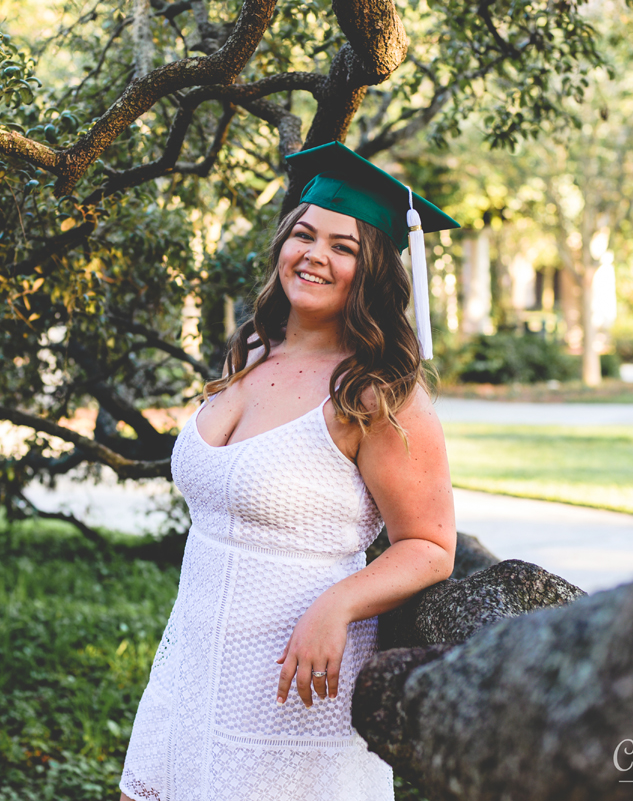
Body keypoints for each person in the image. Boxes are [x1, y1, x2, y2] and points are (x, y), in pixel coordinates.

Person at [119, 142, 460, 801]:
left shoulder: (377, 392)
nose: (313, 256)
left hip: (293, 685)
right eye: (303, 234)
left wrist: (339, 602)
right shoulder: (249, 349)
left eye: (343, 246)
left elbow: (429, 545)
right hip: (193, 665)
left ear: (373, 271)